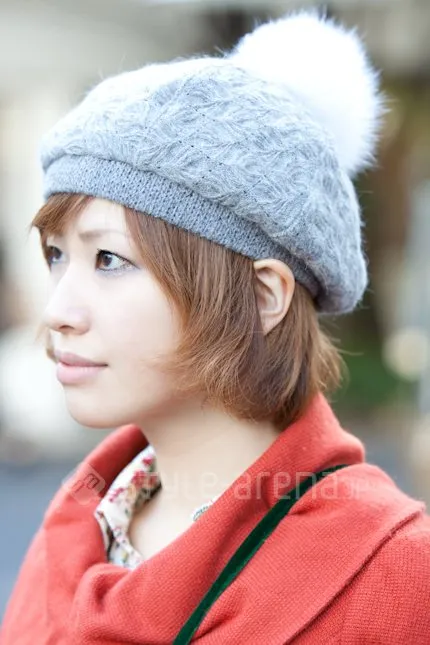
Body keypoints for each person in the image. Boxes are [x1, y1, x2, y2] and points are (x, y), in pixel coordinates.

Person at [2, 10, 430, 645]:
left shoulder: (395, 575)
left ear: (263, 295)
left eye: (110, 259)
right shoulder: (72, 535)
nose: (58, 310)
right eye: (57, 255)